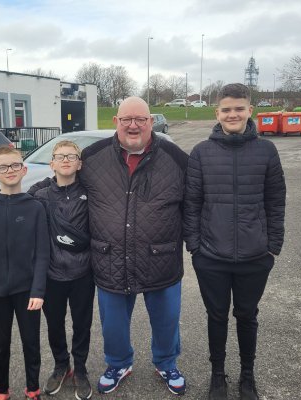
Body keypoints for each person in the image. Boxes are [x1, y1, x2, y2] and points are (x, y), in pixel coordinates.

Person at [79, 96, 189, 396]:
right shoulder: (90, 158)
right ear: (115, 122)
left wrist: (197, 243)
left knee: (166, 321)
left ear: (150, 122)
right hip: (109, 257)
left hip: (161, 257)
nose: (133, 125)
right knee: (113, 323)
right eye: (126, 119)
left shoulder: (177, 159)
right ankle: (118, 363)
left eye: (140, 119)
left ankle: (166, 362)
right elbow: (60, 187)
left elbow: (195, 204)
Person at [183, 83, 286, 400]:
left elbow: (276, 201)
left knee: (247, 316)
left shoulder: (266, 151)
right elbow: (192, 203)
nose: (232, 114)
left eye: (238, 108)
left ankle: (247, 377)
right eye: (226, 109)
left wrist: (273, 246)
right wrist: (195, 247)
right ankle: (217, 377)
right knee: (216, 317)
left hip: (256, 256)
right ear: (217, 113)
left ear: (249, 111)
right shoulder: (201, 152)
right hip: (211, 256)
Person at [0, 146, 50, 400]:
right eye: (2, 167)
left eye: (15, 165)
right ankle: (2, 390)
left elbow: (42, 253)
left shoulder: (35, 207)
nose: (10, 171)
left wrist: (38, 289)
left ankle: (32, 388)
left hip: (27, 292)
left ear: (23, 169)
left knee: (31, 344)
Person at [30, 141, 94, 400]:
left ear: (79, 163)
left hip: (83, 273)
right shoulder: (40, 196)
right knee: (54, 323)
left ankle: (80, 368)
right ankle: (61, 364)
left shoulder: (91, 192)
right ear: (52, 163)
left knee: (82, 324)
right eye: (60, 156)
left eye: (72, 156)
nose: (66, 160)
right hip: (52, 273)